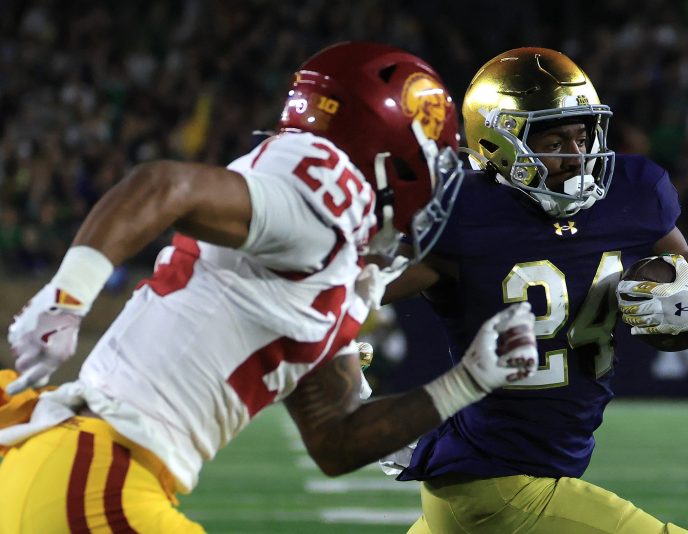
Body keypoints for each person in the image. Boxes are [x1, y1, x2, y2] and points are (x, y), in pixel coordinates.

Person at [0, 42, 540, 533]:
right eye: (431, 161)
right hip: (97, 480)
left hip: (75, 471)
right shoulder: (326, 195)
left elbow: (335, 440)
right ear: (391, 155)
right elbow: (163, 185)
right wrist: (66, 296)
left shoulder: (329, 261)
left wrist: (466, 381)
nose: (438, 183)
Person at [380, 47, 688, 534]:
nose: (577, 156)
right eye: (554, 141)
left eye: (583, 137)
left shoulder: (631, 198)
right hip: (497, 489)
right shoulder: (463, 217)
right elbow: (333, 298)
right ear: (496, 146)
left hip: (498, 484)